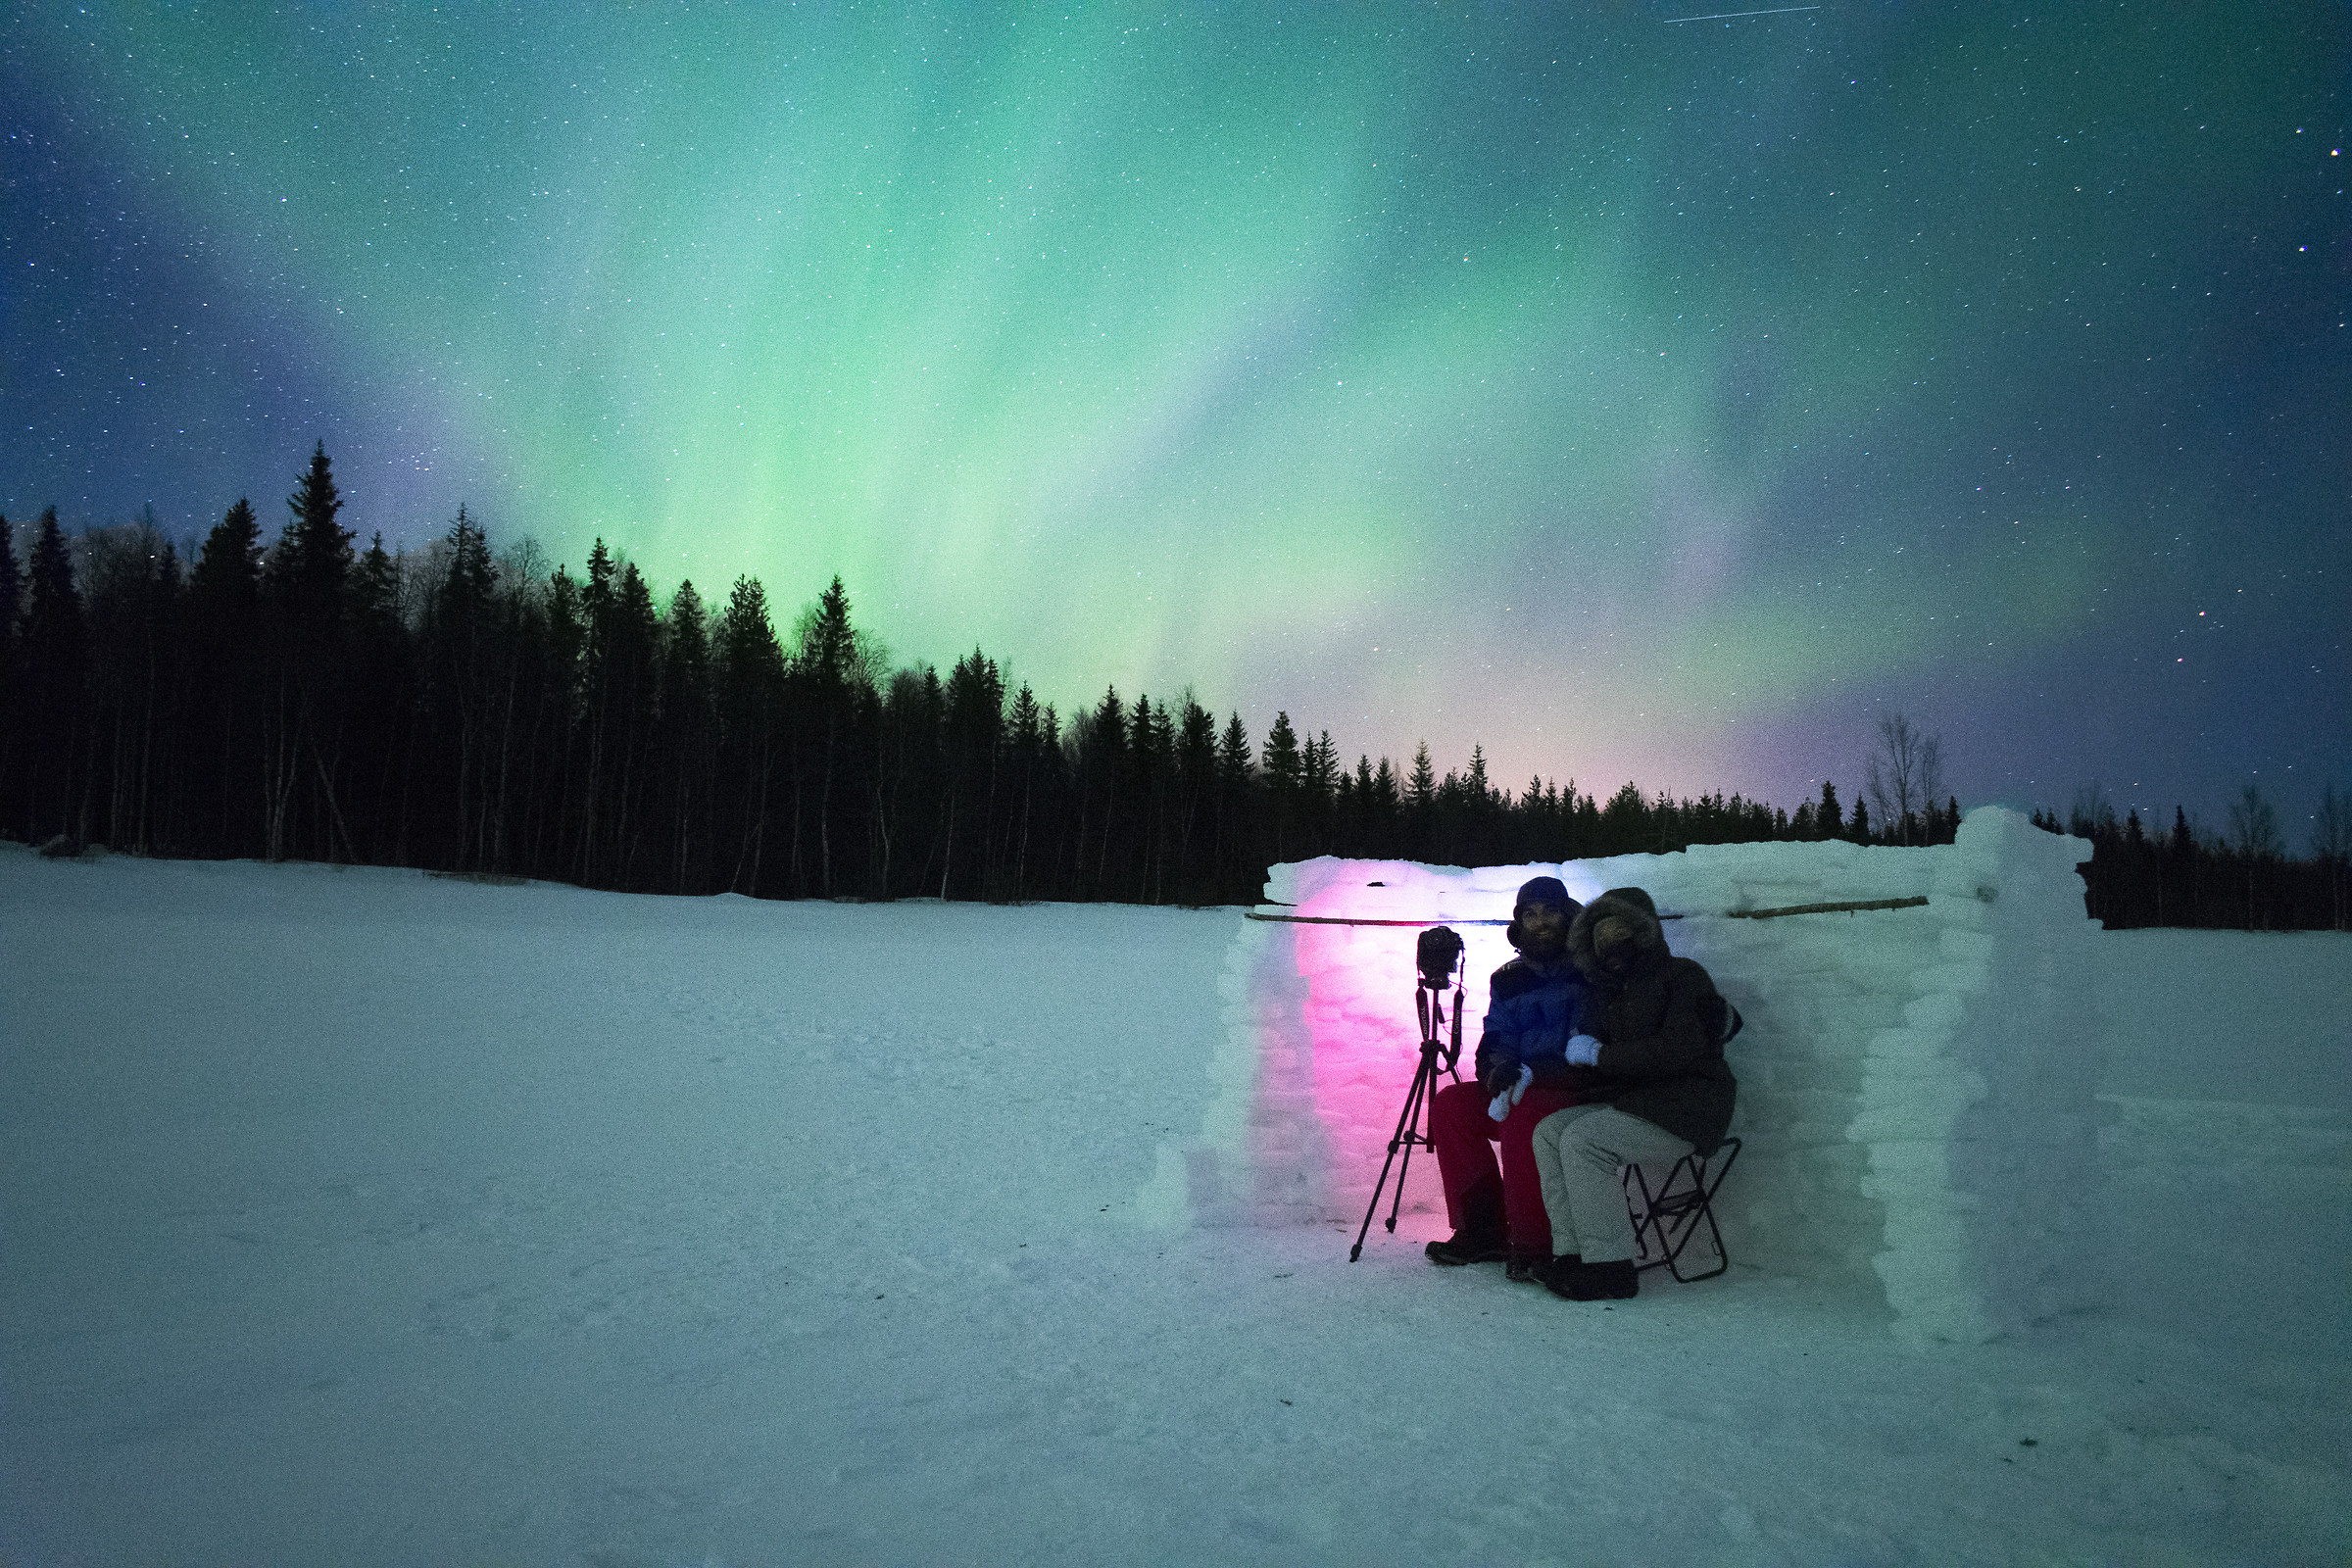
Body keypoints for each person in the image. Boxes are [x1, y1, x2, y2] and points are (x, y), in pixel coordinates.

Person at [1527, 886, 1737, 1301]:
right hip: (1635, 1103)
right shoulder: (1605, 990)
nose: (1610, 945)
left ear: (1645, 932)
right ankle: (1573, 1254)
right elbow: (1590, 1054)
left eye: (1619, 932)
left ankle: (1611, 1268)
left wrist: (1601, 1056)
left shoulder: (1683, 976)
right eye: (1600, 937)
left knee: (1585, 1141)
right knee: (1549, 1131)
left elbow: (1679, 1049)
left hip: (1689, 1106)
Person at [1423, 876, 1603, 1280]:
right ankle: (1484, 1230)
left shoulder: (1589, 971)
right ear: (1519, 921)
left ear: (1567, 916)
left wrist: (1534, 1074)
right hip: (1521, 1086)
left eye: (1550, 912)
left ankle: (1534, 1241)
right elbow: (1496, 1037)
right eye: (1530, 914)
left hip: (1575, 1091)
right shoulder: (1508, 978)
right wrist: (1496, 1071)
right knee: (1453, 1104)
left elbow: (1591, 1040)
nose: (1540, 922)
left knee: (1523, 1112)